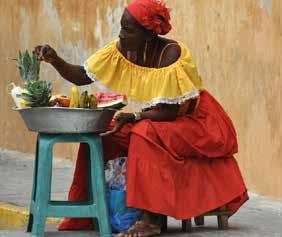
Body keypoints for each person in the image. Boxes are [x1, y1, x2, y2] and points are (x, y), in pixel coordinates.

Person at [34, 0, 248, 236]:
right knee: (107, 133)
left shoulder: (171, 54)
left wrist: (135, 116)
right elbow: (82, 75)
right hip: (161, 117)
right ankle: (89, 212)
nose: (121, 35)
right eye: (122, 28)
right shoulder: (123, 49)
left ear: (148, 35)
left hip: (195, 121)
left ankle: (151, 219)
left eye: (128, 30)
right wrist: (54, 59)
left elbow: (170, 111)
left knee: (144, 132)